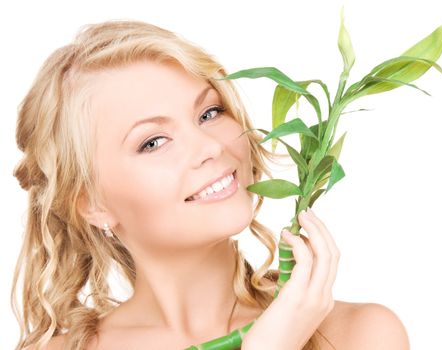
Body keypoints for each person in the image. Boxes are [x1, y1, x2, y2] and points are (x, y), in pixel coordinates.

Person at [11, 19, 410, 350]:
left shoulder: (359, 336)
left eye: (209, 112)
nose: (209, 146)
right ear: (92, 203)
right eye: (153, 142)